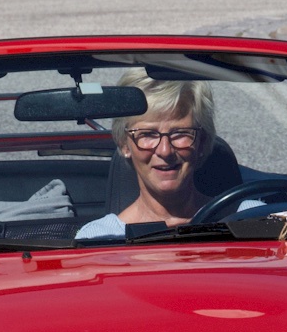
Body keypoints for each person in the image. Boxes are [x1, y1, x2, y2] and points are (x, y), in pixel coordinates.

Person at [75, 80, 222, 239]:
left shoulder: (239, 219)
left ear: (202, 141)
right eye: (148, 134)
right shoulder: (97, 237)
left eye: (180, 133)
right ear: (124, 144)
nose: (165, 151)